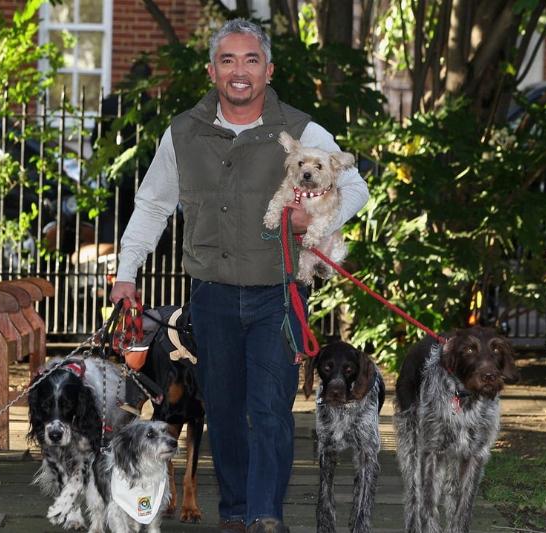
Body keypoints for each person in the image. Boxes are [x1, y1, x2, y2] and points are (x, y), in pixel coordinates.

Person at [110, 19, 369, 533]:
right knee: (224, 410)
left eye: (251, 60)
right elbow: (152, 205)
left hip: (279, 293)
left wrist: (314, 218)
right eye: (228, 60)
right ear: (212, 71)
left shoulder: (302, 129)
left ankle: (265, 516)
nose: (240, 71)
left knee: (270, 409)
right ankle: (234, 514)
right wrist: (126, 274)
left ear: (268, 70)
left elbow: (357, 188)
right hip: (211, 293)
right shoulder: (182, 132)